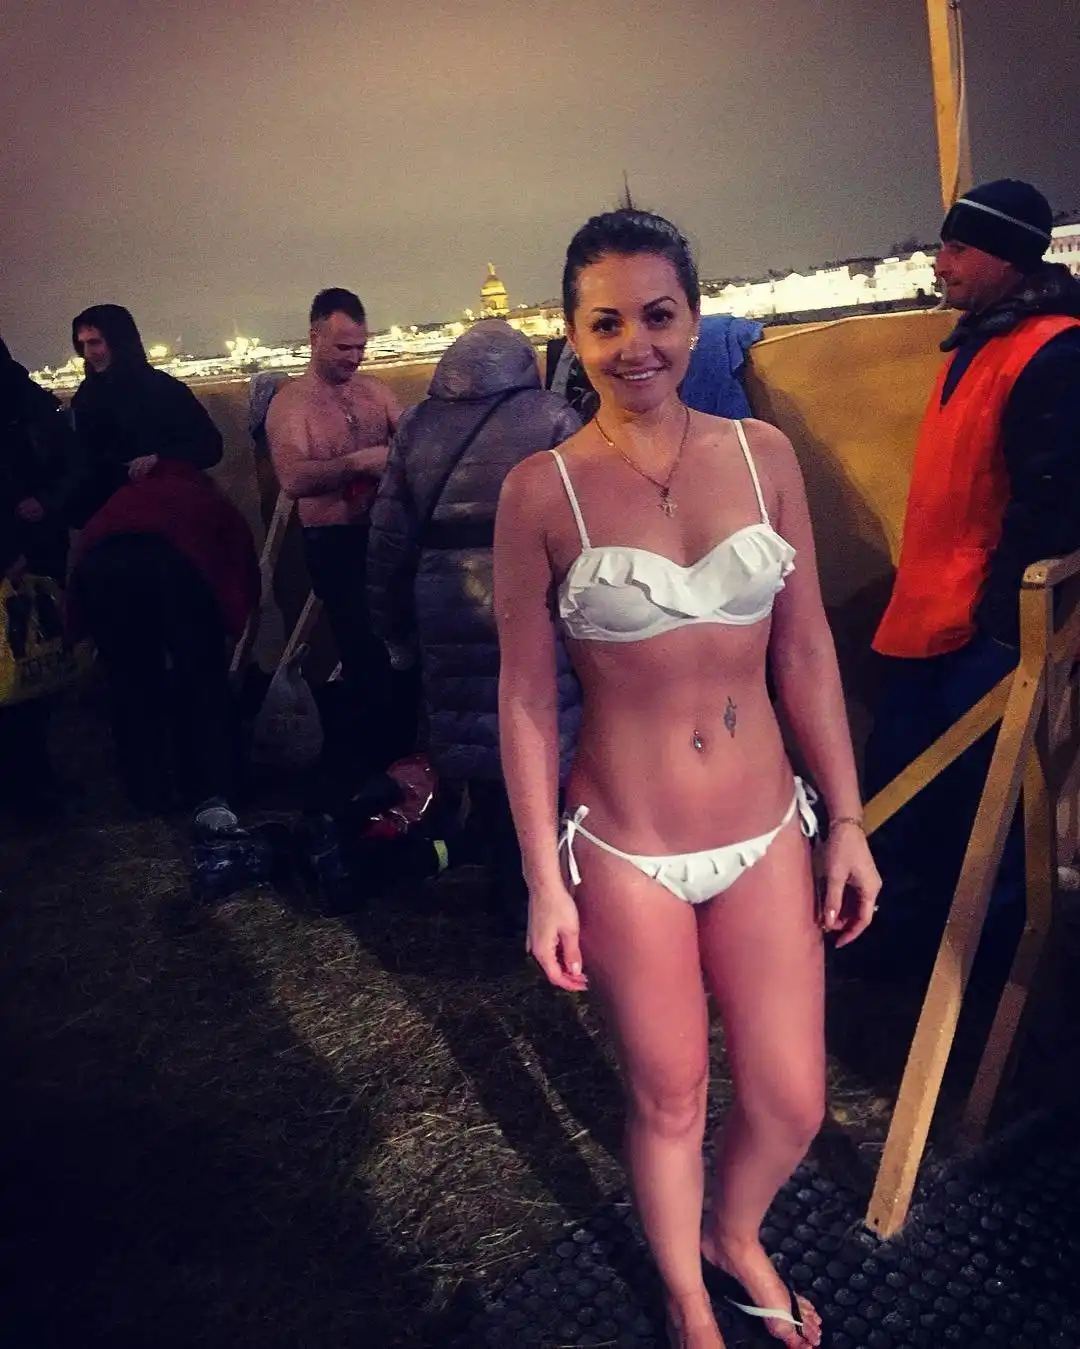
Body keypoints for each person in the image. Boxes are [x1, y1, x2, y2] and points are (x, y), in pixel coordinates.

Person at [494, 208, 879, 1349]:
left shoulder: (763, 455)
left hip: (765, 829)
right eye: (605, 323)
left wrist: (847, 817)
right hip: (626, 846)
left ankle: (732, 1229)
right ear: (573, 335)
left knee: (792, 1096)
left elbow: (806, 649)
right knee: (669, 1094)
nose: (636, 345)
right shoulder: (541, 491)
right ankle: (686, 1297)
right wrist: (543, 878)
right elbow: (524, 696)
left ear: (695, 318)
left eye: (657, 315)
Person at [865, 180, 1080, 954]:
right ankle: (909, 940)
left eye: (956, 247)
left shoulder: (1053, 352)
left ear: (1004, 257)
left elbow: (1054, 504)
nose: (940, 261)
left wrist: (1000, 625)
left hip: (978, 631)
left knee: (978, 802)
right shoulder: (983, 341)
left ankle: (982, 959)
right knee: (913, 790)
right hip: (930, 616)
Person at [367, 319, 581, 932]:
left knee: (480, 746)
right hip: (533, 596)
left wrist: (390, 628)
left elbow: (388, 540)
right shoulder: (553, 419)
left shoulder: (416, 425)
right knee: (545, 734)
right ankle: (551, 889)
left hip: (445, 603)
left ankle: (505, 885)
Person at [267, 288, 404, 783]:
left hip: (387, 534)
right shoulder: (291, 404)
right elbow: (293, 478)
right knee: (363, 652)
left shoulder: (376, 392)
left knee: (403, 648)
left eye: (361, 347)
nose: (354, 357)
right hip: (336, 541)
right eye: (343, 347)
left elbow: (416, 446)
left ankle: (408, 759)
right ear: (315, 337)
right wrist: (359, 463)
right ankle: (374, 768)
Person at [0, 335, 82, 817]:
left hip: (39, 552)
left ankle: (34, 781)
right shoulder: (31, 402)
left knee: (36, 667)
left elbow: (69, 466)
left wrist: (47, 503)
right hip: (20, 555)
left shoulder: (33, 405)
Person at [69, 304, 223, 522]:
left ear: (118, 342)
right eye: (82, 344)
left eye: (94, 343)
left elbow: (210, 446)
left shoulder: (162, 388)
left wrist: (159, 459)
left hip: (162, 511)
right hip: (110, 514)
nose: (88, 353)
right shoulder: (87, 394)